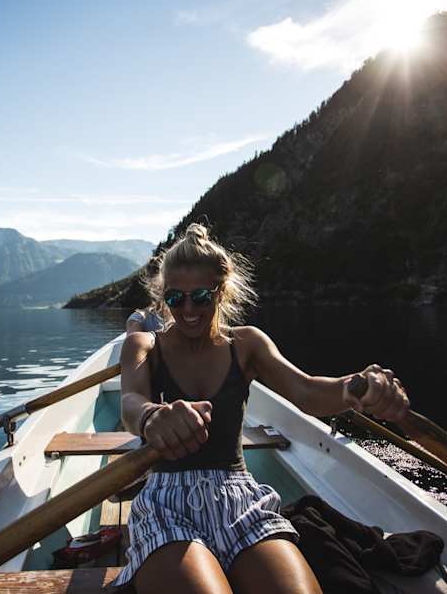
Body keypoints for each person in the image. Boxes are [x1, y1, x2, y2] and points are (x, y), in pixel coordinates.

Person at [112, 223, 410, 594]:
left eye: (201, 297)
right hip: (166, 505)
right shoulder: (143, 345)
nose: (187, 309)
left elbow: (307, 391)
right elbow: (130, 402)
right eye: (175, 298)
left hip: (240, 500)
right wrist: (151, 416)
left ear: (220, 292)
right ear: (163, 297)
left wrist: (355, 389)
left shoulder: (247, 344)